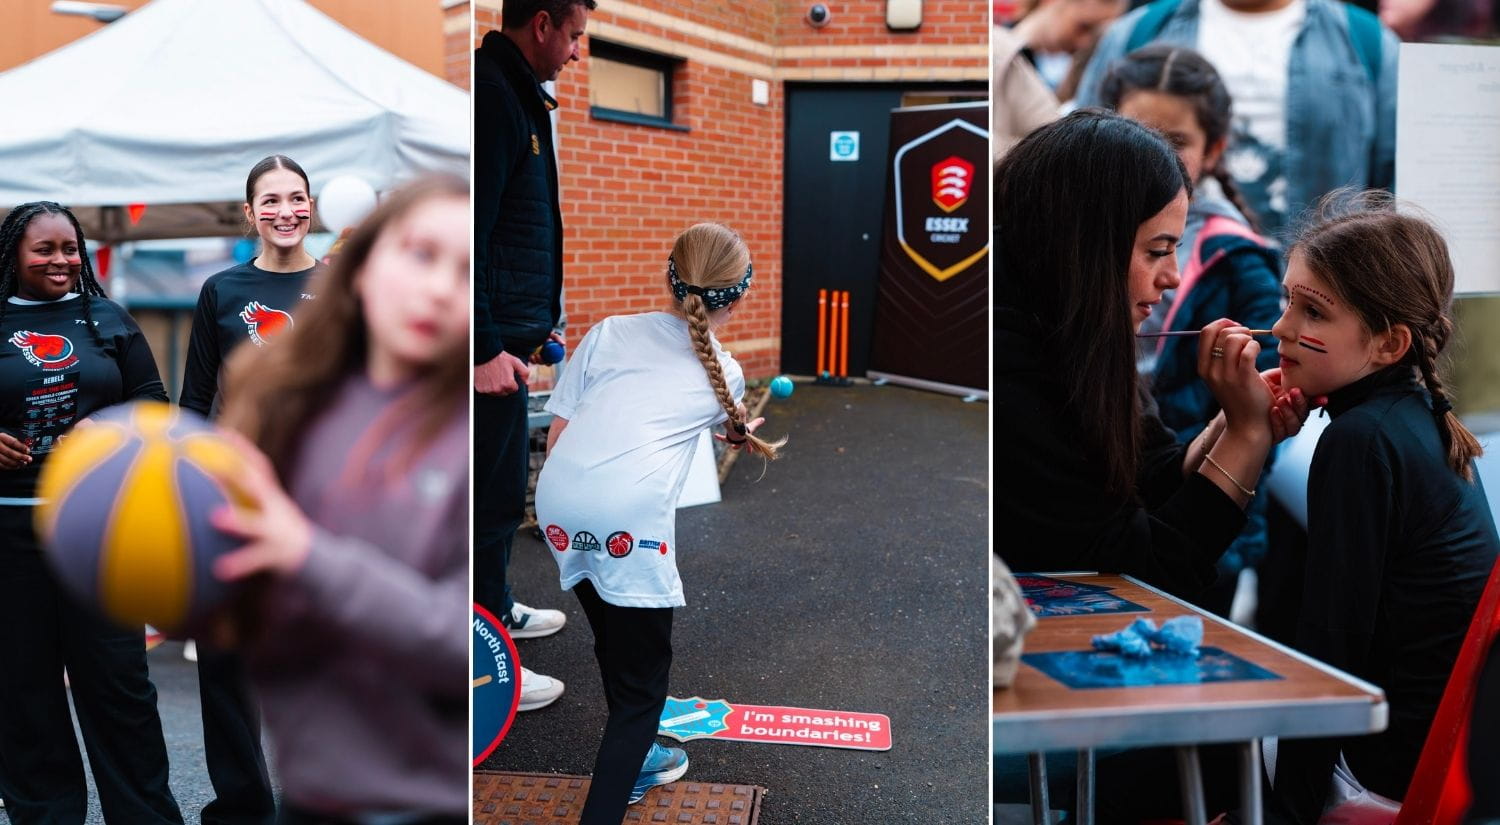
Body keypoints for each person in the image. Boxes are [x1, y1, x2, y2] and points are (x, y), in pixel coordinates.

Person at [993, 108, 1312, 820]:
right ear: (1086, 243)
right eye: (1158, 249)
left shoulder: (1070, 333)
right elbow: (1145, 573)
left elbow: (1151, 468)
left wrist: (1230, 419)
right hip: (994, 714)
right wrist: (1248, 442)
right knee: (1216, 751)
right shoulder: (1010, 366)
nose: (1173, 277)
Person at [215, 175, 469, 823]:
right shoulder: (285, 407)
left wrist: (305, 556)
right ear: (359, 270)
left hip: (433, 804)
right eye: (420, 254)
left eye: (467, 271)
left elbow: (461, 641)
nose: (441, 286)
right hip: (310, 797)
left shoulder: (466, 432)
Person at [534, 223, 783, 824]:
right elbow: (718, 414)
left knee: (616, 642)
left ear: (669, 276)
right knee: (644, 691)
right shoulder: (724, 372)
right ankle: (618, 780)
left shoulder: (609, 331)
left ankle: (639, 752)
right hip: (627, 524)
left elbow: (561, 429)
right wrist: (733, 426)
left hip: (559, 506)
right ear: (739, 296)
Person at [1263, 192, 1499, 823]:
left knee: (1239, 734)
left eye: (1312, 311)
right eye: (1287, 299)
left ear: (1389, 344)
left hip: (1389, 776)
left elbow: (1330, 645)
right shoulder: (1417, 417)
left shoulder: (1360, 441)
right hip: (1449, 760)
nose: (1282, 328)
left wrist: (1291, 815)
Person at [0, 202, 182, 824]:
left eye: (69, 248)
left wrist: (106, 434)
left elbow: (156, 411)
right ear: (13, 256)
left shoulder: (106, 318)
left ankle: (146, 816)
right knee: (24, 693)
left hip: (100, 531)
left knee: (120, 687)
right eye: (44, 250)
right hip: (10, 535)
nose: (60, 260)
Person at [1101, 45, 1284, 616]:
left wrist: (1239, 433)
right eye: (1137, 134)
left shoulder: (1238, 257)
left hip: (1205, 521)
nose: (1169, 275)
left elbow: (1269, 386)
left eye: (1175, 141)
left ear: (1216, 148)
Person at [181, 153, 324, 825]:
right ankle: (243, 807)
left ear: (312, 204)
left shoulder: (344, 288)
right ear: (249, 213)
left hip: (322, 505)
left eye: (296, 197)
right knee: (227, 661)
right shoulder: (222, 291)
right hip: (232, 501)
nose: (285, 211)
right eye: (270, 200)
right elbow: (194, 405)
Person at [473, 0, 596, 711]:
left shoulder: (519, 93)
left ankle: (496, 613)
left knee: (496, 503)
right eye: (575, 35)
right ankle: (484, 662)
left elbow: (519, 234)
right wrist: (485, 345)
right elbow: (477, 239)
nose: (577, 52)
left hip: (508, 349)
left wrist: (532, 328)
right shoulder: (494, 97)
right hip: (484, 359)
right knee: (488, 509)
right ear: (543, 24)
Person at [1074, 0, 1399, 237]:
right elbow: (1085, 159)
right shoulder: (1139, 32)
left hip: (1324, 292)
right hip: (1171, 286)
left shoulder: (1366, 41)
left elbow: (1395, 184)